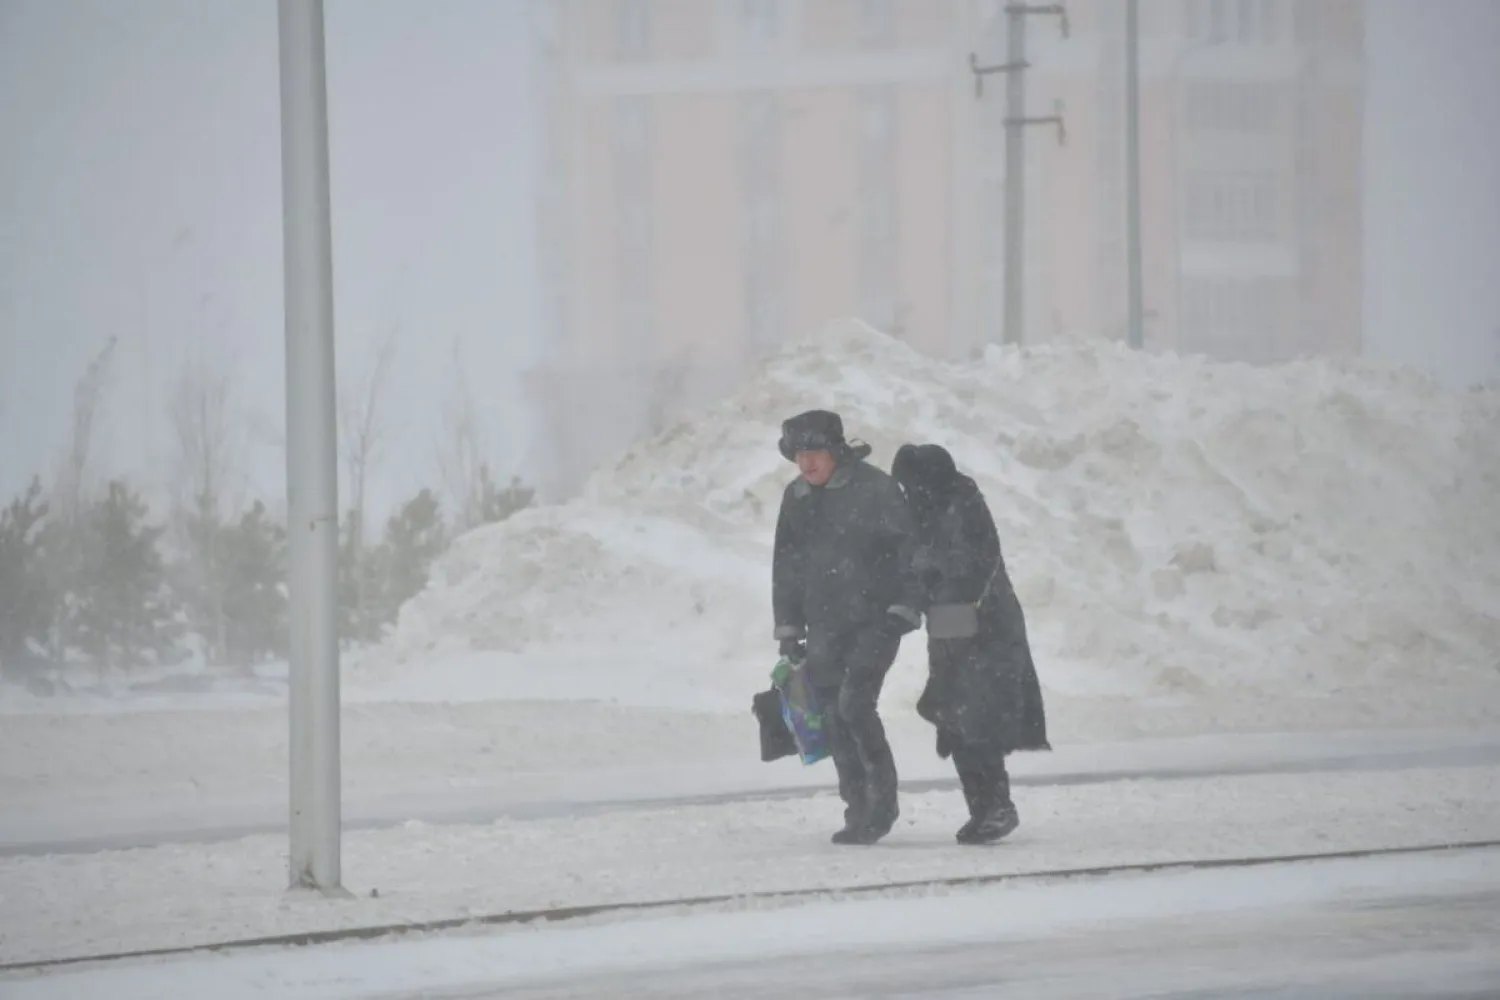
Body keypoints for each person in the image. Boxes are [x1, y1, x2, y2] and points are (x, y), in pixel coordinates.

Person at [772, 410, 923, 845]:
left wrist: (903, 608)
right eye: (800, 455)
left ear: (836, 450)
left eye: (815, 453)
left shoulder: (876, 489)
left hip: (875, 620)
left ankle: (881, 803)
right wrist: (788, 627)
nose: (807, 464)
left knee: (855, 705)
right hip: (823, 625)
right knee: (834, 719)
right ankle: (856, 808)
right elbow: (787, 565)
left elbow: (908, 551)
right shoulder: (796, 496)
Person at [891, 443, 1049, 845]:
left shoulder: (961, 506)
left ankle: (996, 806)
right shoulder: (932, 507)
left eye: (912, 486)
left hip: (985, 632)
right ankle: (984, 808)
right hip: (952, 629)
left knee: (975, 720)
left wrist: (922, 571)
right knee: (957, 720)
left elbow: (964, 564)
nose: (909, 494)